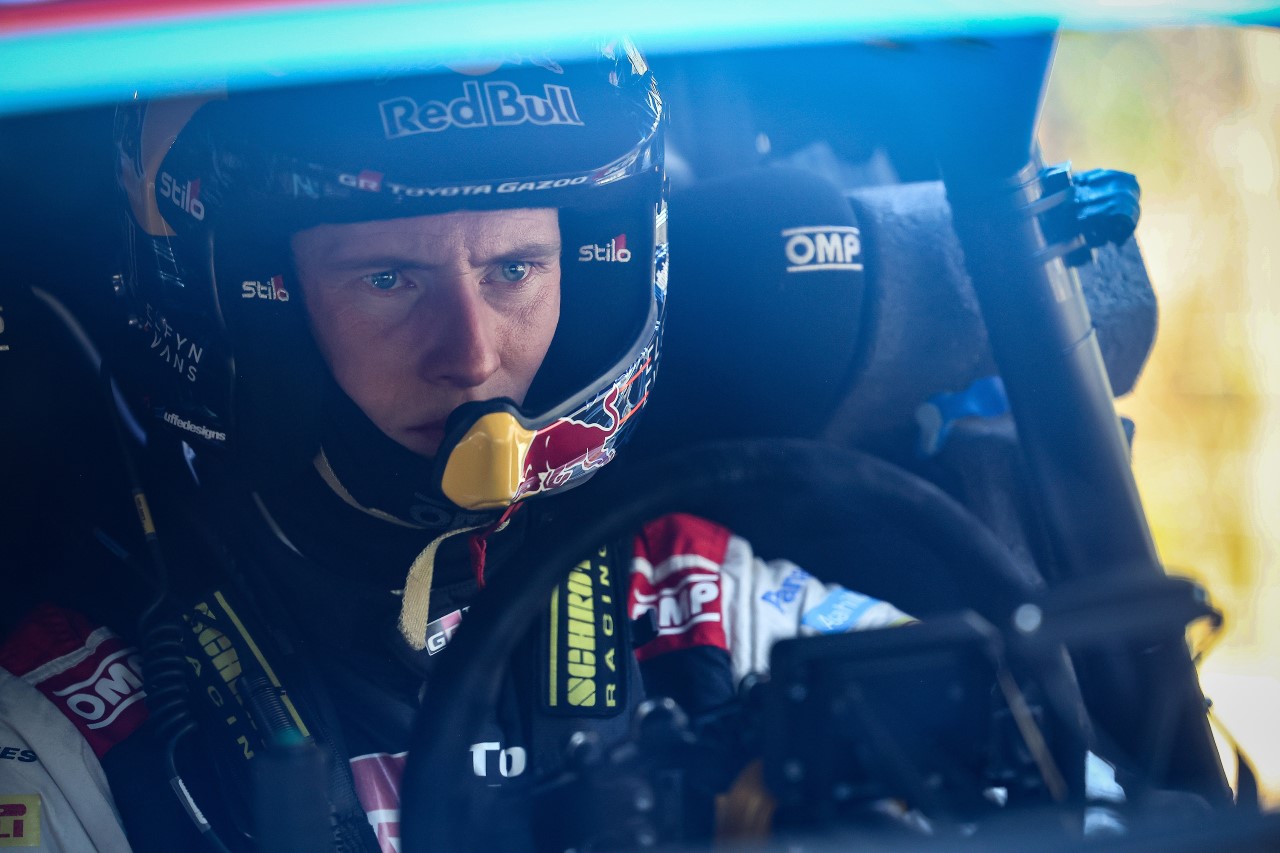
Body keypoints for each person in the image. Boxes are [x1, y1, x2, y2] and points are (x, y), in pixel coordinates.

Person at [0, 41, 910, 852]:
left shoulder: (690, 595)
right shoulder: (80, 721)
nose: (471, 355)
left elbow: (972, 747)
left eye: (514, 269)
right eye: (388, 279)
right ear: (249, 305)